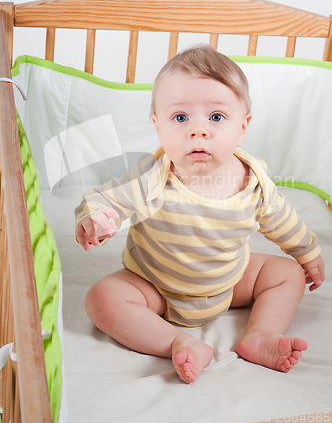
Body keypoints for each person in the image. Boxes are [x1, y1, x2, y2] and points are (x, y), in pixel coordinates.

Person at [75, 46, 325, 384]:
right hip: (155, 286)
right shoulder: (153, 177)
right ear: (158, 126)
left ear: (243, 127)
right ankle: (176, 341)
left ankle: (261, 334)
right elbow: (105, 198)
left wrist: (306, 252)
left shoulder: (254, 182)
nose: (198, 131)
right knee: (102, 299)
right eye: (180, 118)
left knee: (288, 274)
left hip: (229, 283)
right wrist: (97, 217)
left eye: (217, 117)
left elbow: (282, 219)